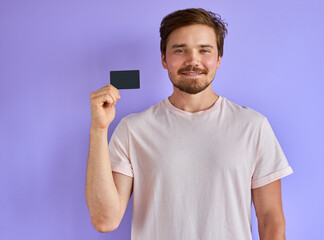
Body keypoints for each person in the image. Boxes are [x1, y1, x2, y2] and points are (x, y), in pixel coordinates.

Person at [85, 8, 293, 240]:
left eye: (204, 50)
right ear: (164, 59)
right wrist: (99, 128)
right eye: (180, 50)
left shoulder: (253, 126)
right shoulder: (133, 129)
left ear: (218, 59)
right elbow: (105, 220)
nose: (193, 60)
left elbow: (271, 220)